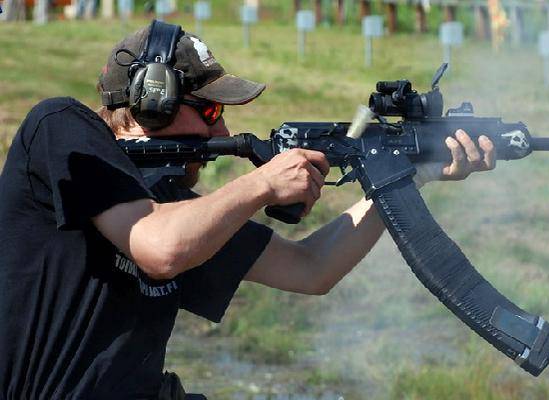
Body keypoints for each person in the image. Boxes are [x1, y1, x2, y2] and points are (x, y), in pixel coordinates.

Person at [0, 21, 496, 399]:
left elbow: (311, 268)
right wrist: (260, 184)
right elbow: (159, 247)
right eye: (211, 112)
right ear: (154, 103)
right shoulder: (60, 126)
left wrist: (407, 176)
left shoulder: (178, 211)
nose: (220, 134)